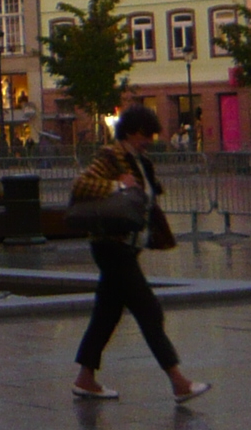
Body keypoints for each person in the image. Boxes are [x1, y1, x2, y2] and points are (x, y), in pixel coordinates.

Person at [69, 107, 210, 405]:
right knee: (148, 310)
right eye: (146, 134)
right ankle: (178, 381)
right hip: (111, 245)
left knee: (106, 314)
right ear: (132, 131)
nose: (149, 140)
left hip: (127, 246)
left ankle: (85, 379)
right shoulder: (111, 156)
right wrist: (118, 184)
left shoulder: (138, 160)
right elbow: (81, 185)